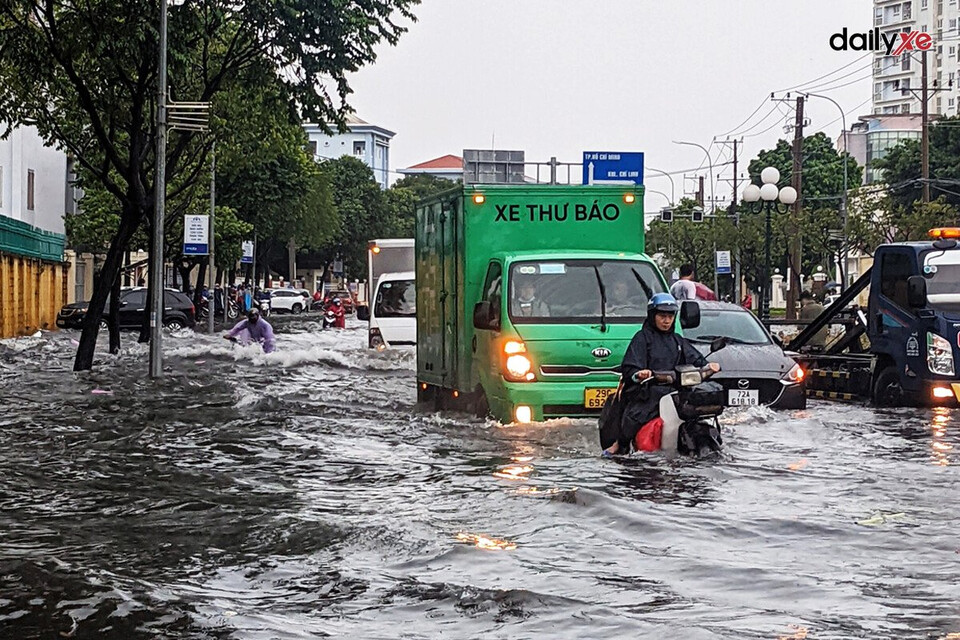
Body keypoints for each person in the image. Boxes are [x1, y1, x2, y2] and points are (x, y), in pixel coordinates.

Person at [600, 293, 720, 456]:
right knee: (634, 419)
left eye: (670, 316)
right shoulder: (642, 338)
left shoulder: (677, 341)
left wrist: (709, 366)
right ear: (652, 316)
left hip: (676, 392)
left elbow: (696, 358)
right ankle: (620, 444)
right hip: (649, 392)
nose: (666, 320)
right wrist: (639, 374)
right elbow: (629, 368)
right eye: (662, 316)